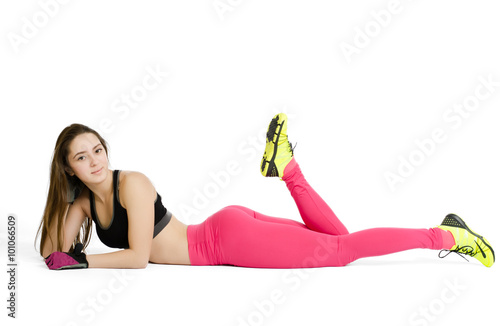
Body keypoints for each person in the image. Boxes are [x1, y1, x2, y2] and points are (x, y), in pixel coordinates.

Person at [38, 114, 495, 270]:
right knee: (341, 239)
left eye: (98, 149)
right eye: (82, 157)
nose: (96, 161)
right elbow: (49, 251)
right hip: (225, 228)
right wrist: (64, 202)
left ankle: (447, 237)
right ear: (69, 167)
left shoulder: (131, 184)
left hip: (224, 242)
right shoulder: (83, 201)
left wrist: (80, 261)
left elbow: (138, 258)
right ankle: (287, 168)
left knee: (340, 252)